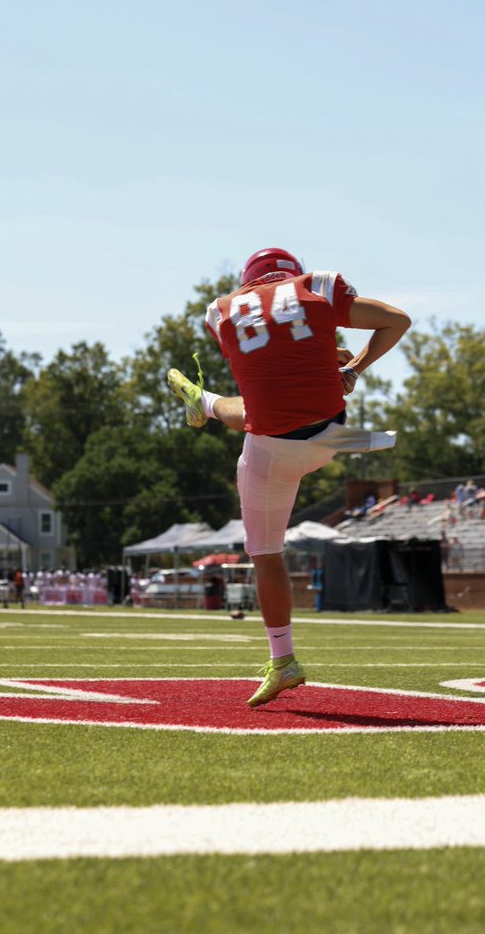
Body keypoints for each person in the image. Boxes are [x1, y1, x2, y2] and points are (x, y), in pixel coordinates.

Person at [167, 246, 410, 707]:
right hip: (333, 436)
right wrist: (350, 366)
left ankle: (284, 661)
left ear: (248, 280)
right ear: (291, 273)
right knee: (263, 412)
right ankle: (206, 403)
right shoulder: (317, 285)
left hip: (272, 448)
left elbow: (267, 366)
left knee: (265, 553)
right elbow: (397, 320)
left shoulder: (219, 312)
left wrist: (322, 355)